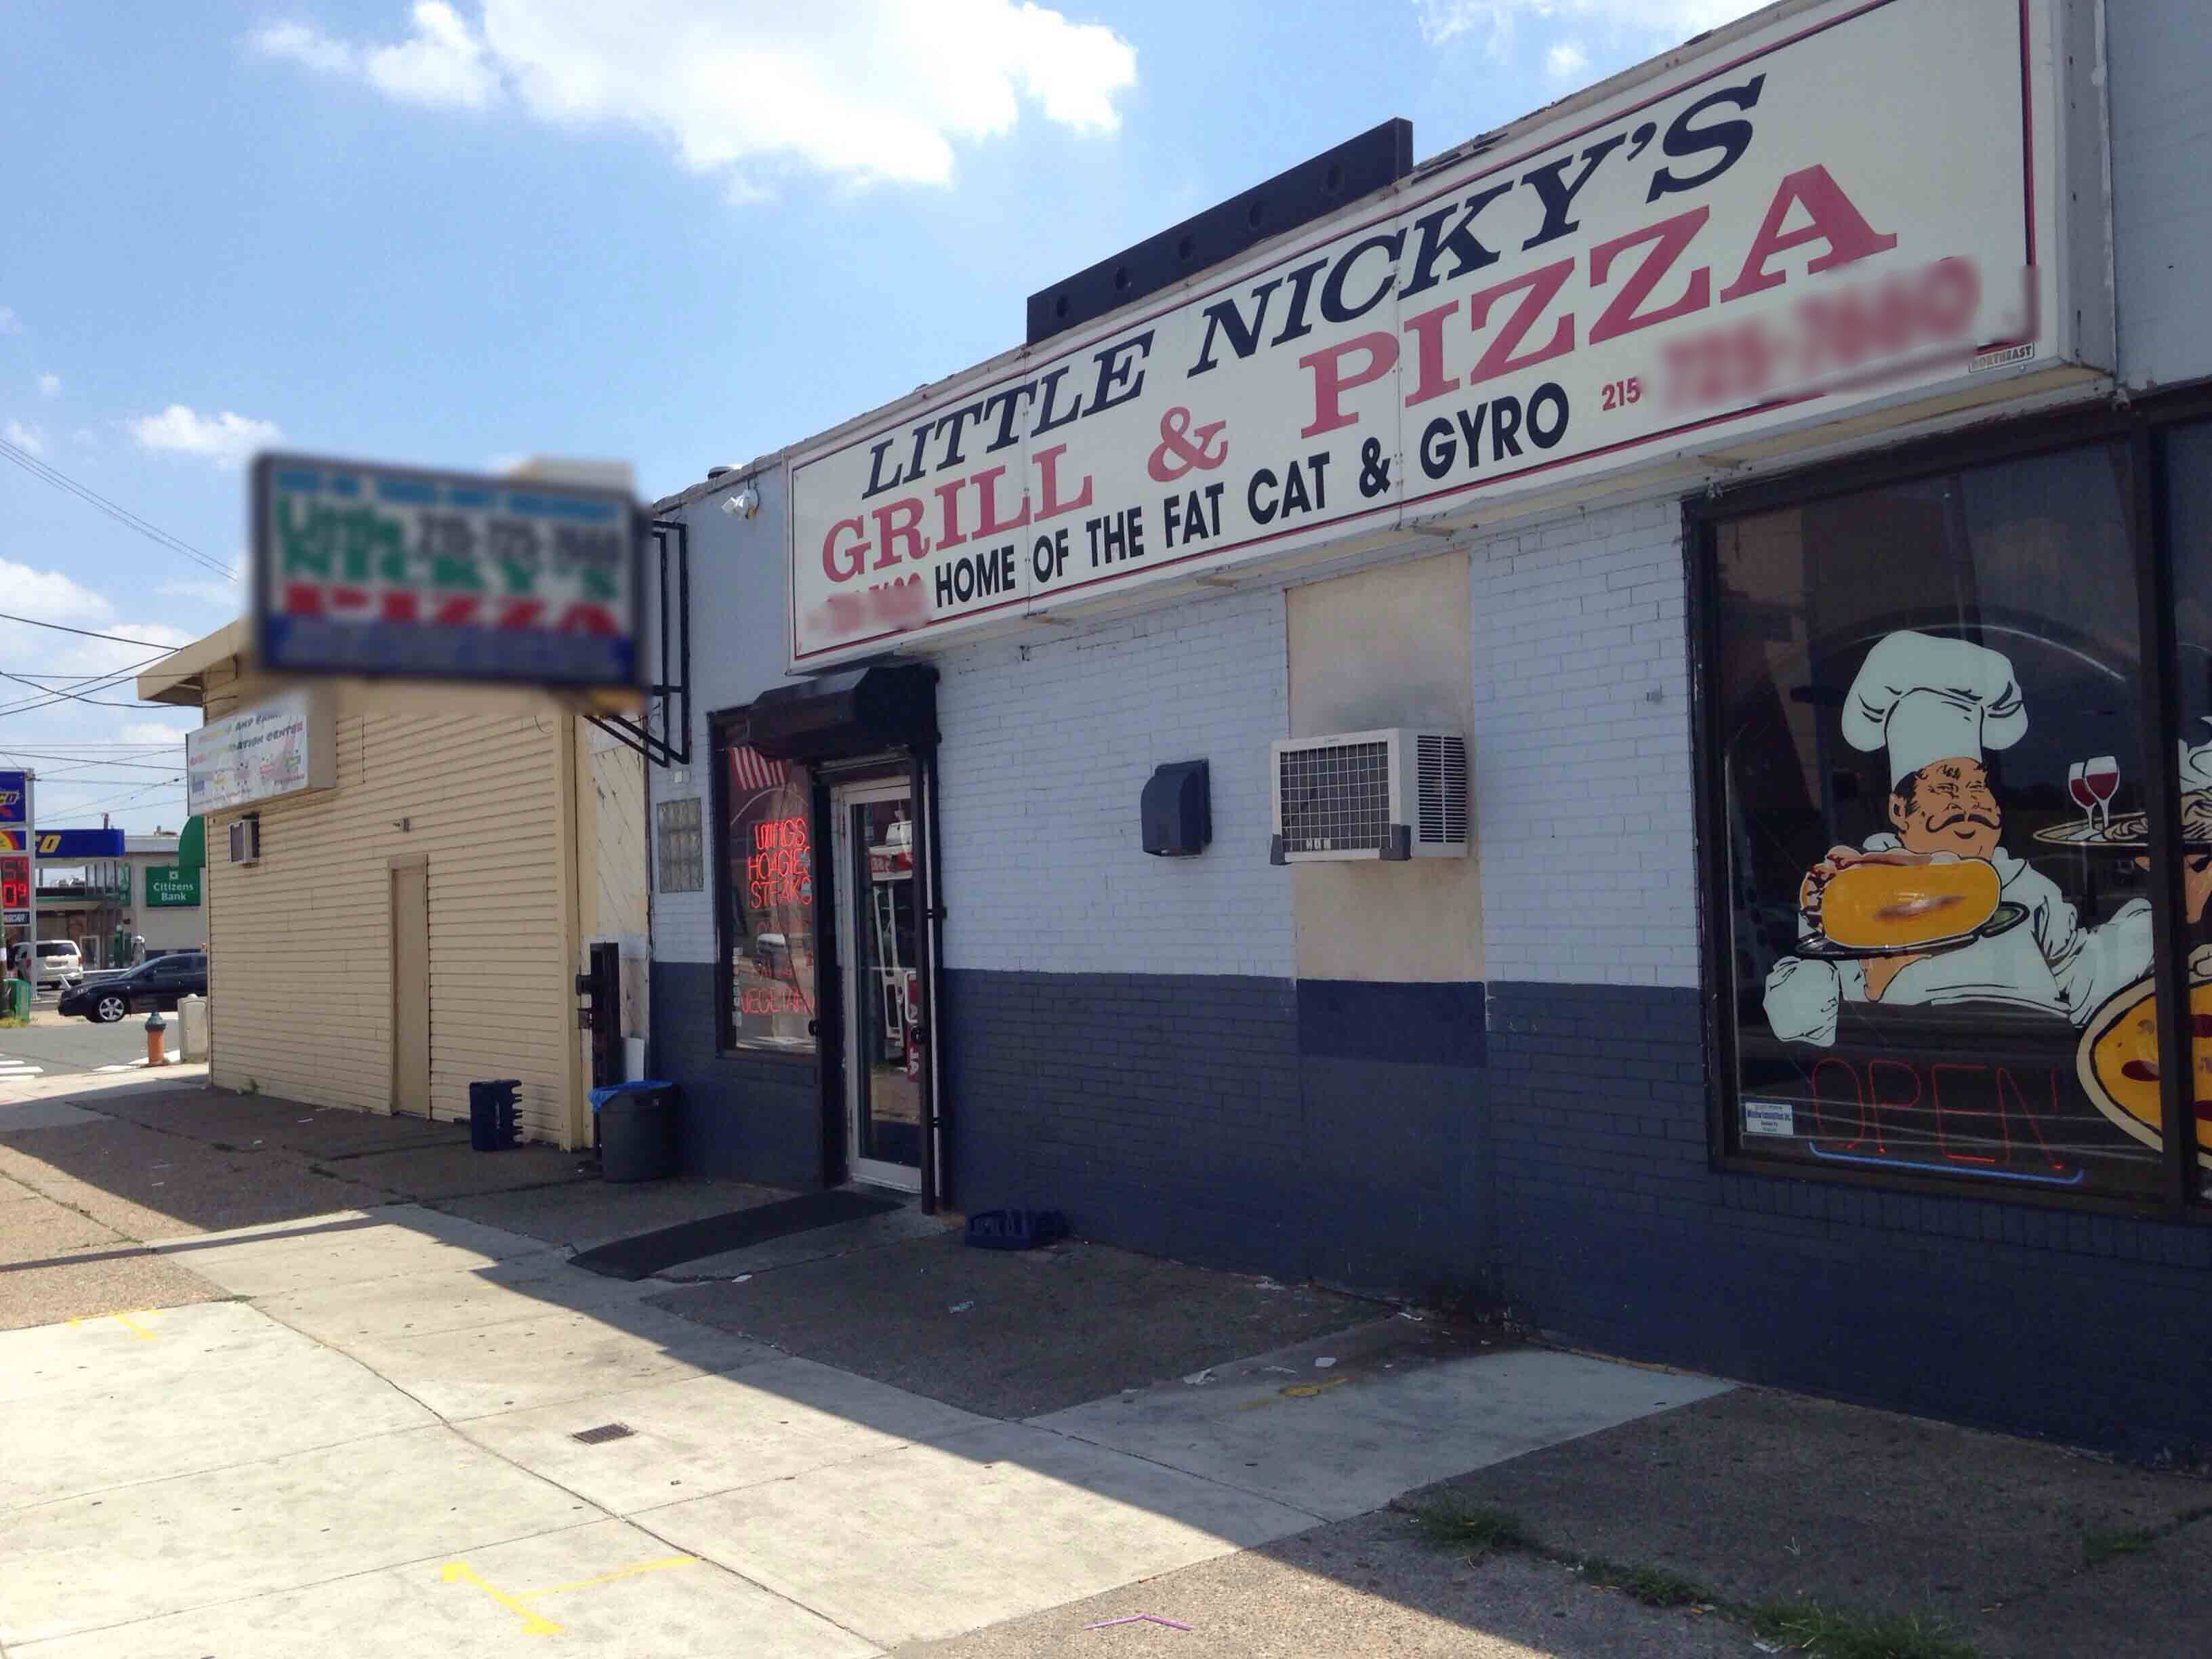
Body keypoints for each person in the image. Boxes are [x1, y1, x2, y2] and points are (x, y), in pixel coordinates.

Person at [1764, 631, 2154, 1046]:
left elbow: (2082, 982)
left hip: (2036, 1072)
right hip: (1914, 1077)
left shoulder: (2028, 889)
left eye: (1977, 788)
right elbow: (1795, 1019)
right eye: (1947, 789)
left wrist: (2150, 925)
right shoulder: (1857, 893)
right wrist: (1825, 953)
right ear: (1900, 809)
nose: (1969, 806)